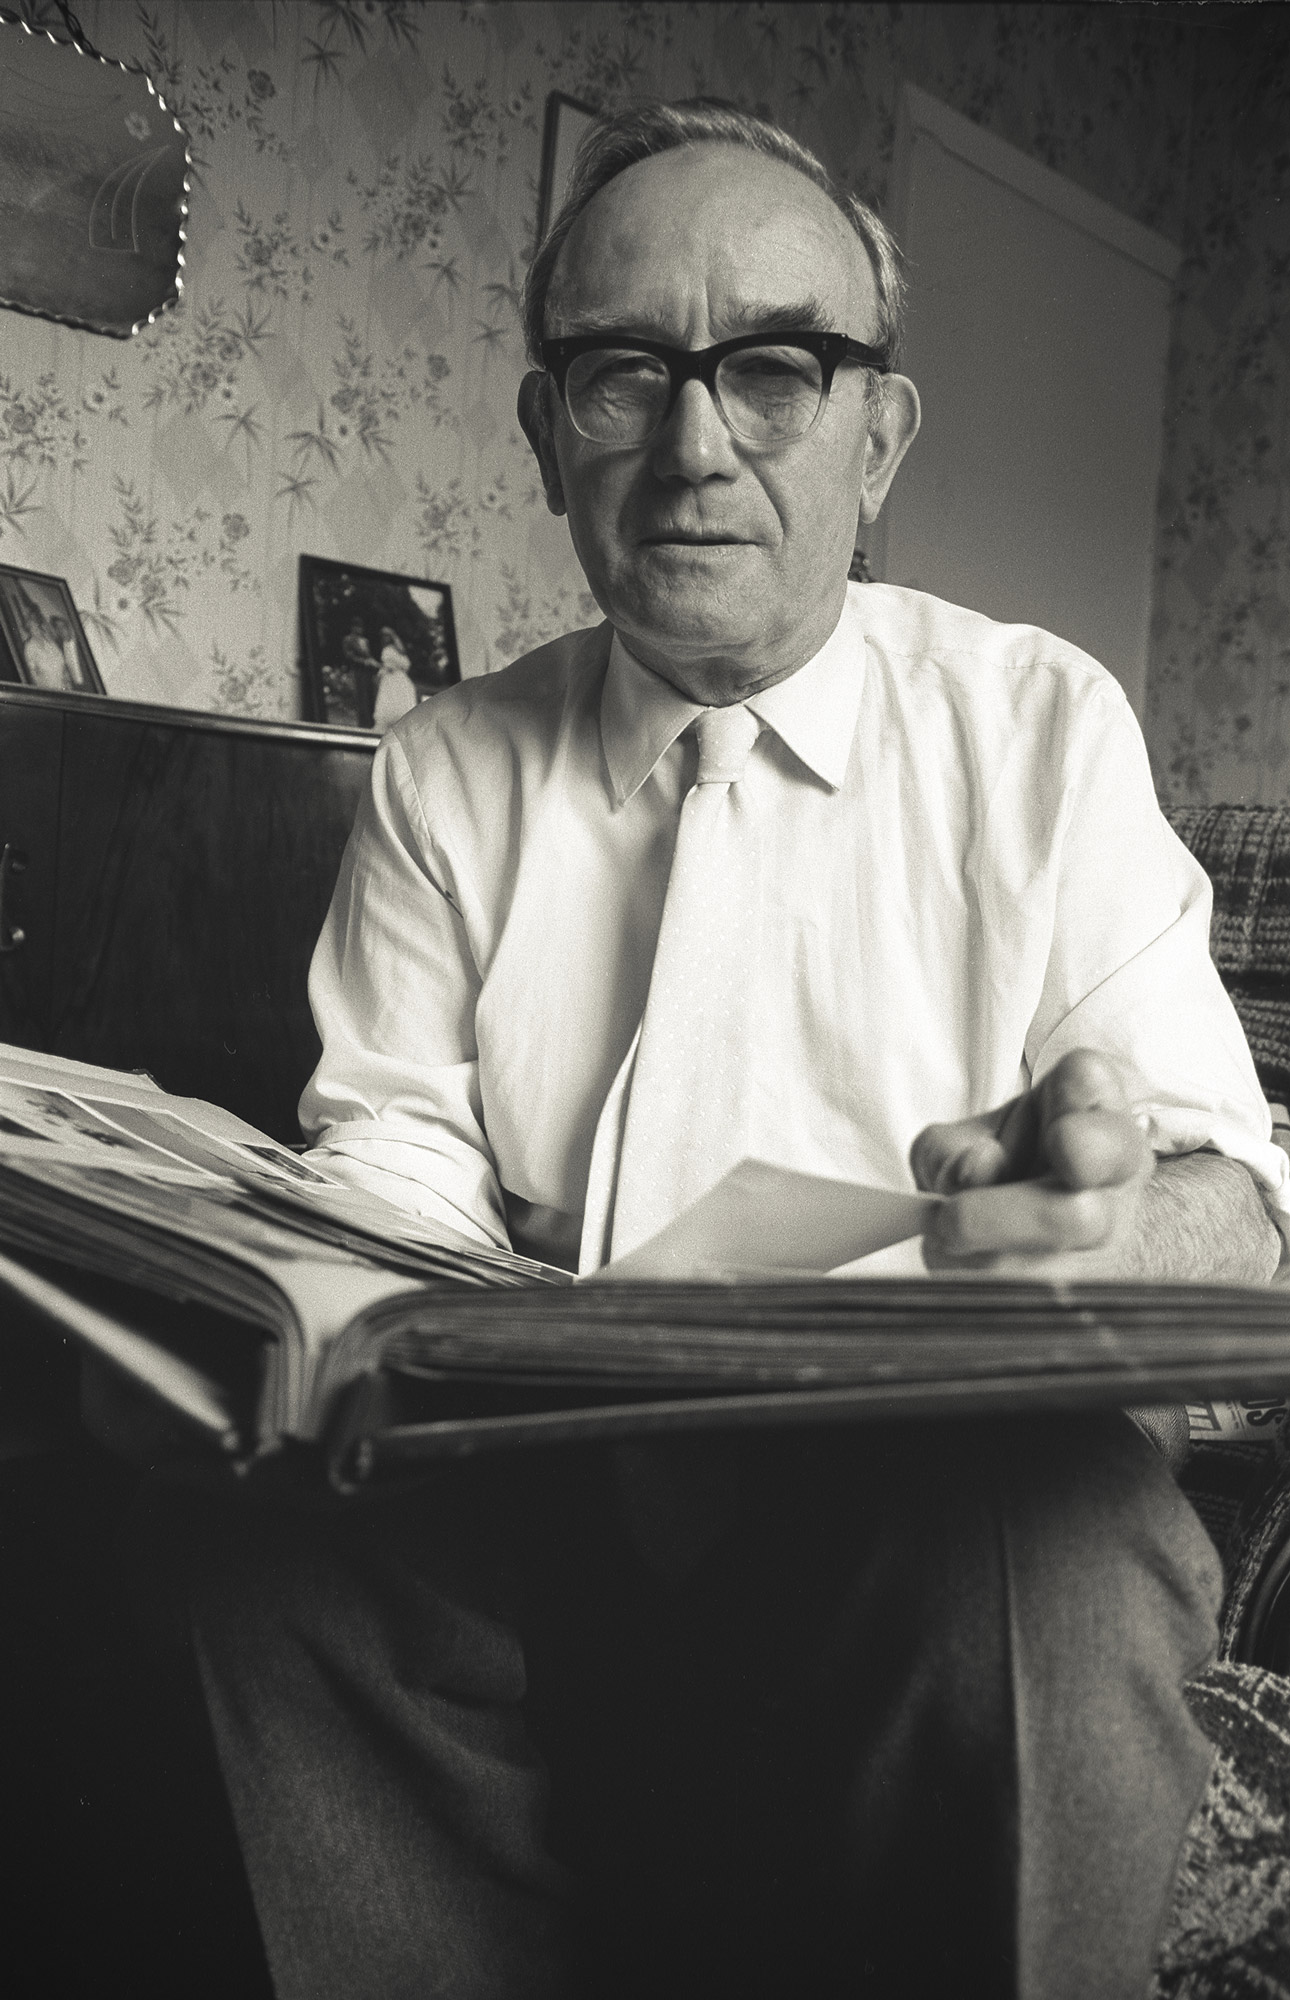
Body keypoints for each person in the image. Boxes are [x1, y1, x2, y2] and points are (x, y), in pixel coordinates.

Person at [174, 102, 1287, 2000]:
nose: (696, 446)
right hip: (538, 1489)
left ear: (880, 433)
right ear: (548, 437)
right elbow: (391, 1163)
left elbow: (1240, 1219)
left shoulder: (1037, 730)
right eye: (624, 374)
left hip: (922, 1499)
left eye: (774, 369)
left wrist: (1045, 1229)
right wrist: (297, 1305)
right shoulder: (447, 770)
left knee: (1053, 1538)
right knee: (268, 1540)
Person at [373, 624, 418, 731]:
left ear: (391, 637)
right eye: (383, 636)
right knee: (388, 699)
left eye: (387, 636)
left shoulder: (393, 650)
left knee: (397, 697)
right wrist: (381, 672)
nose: (385, 638)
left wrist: (391, 667)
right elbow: (386, 665)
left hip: (396, 676)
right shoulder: (388, 649)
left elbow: (406, 664)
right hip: (388, 677)